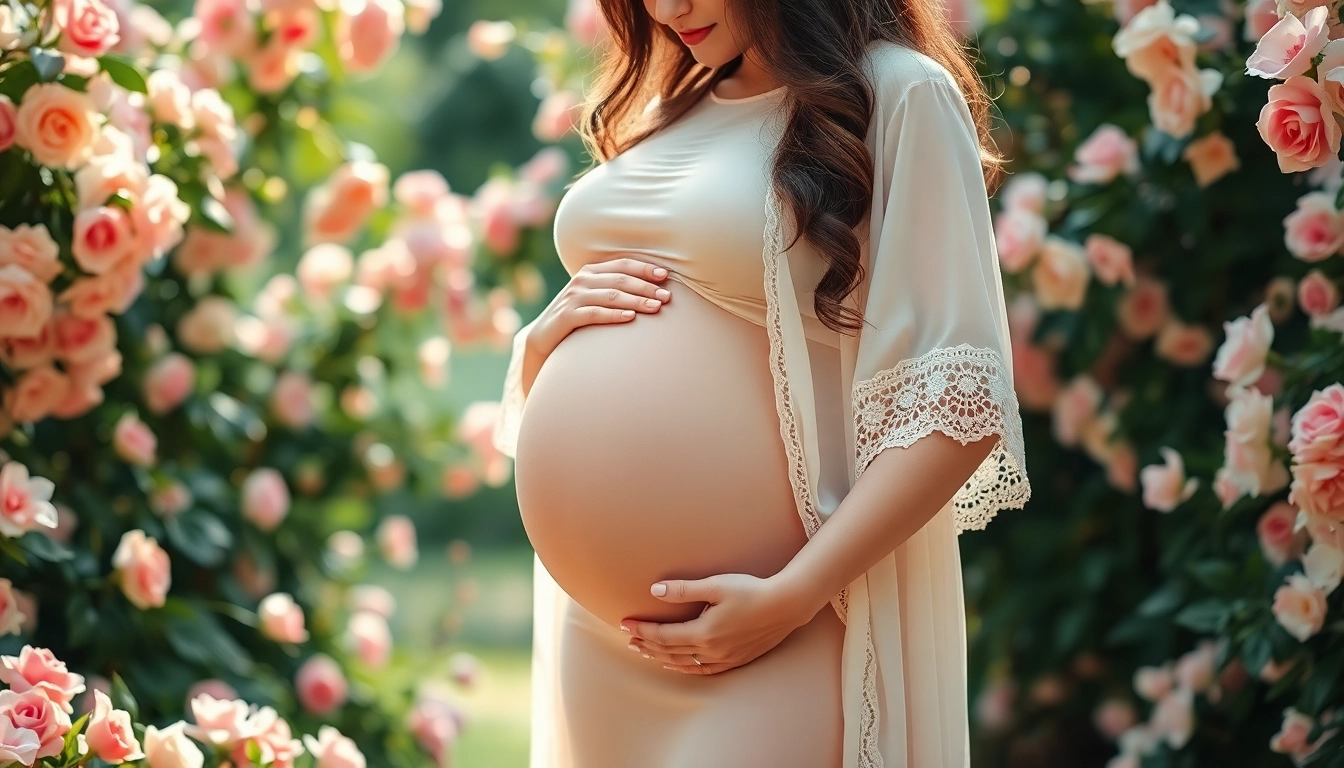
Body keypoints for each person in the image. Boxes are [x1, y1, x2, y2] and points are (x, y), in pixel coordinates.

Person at [490, 0, 1032, 765]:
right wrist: (544, 342)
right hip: (604, 640)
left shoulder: (898, 93)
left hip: (782, 624)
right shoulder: (669, 105)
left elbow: (959, 404)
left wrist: (792, 596)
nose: (667, 10)